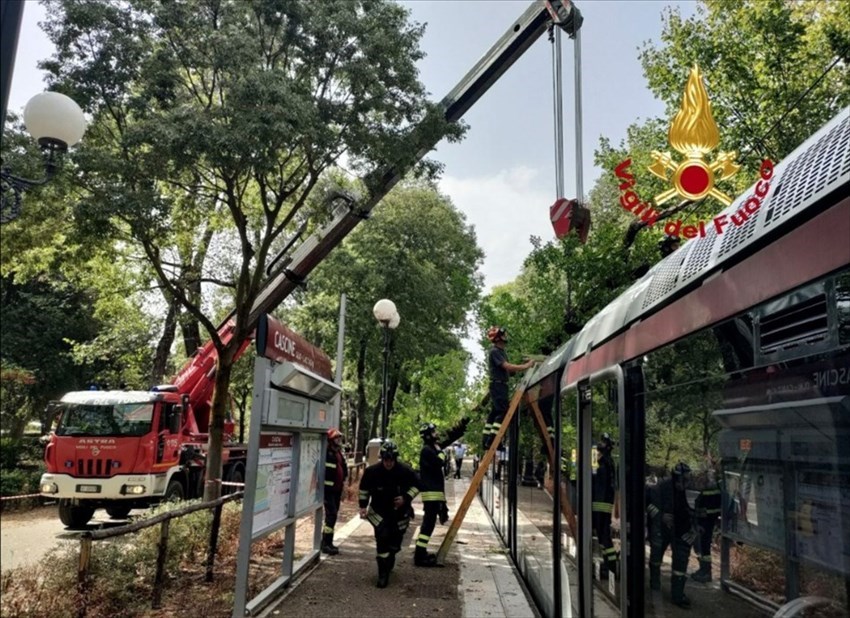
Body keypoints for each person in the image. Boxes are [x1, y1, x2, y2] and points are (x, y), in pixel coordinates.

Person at [358, 440, 420, 588]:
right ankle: (382, 575)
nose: (388, 463)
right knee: (382, 538)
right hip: (379, 511)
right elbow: (364, 490)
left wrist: (405, 498)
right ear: (382, 458)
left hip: (400, 513)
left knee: (395, 543)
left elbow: (418, 485)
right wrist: (362, 507)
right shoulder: (372, 472)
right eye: (386, 459)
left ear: (395, 458)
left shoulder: (405, 471)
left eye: (391, 460)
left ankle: (391, 556)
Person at [647, 462, 696, 608]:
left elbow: (698, 511)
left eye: (687, 479)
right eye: (683, 479)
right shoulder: (661, 487)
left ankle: (677, 595)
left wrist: (695, 529)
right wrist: (660, 516)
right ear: (675, 478)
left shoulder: (691, 490)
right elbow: (647, 504)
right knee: (656, 556)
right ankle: (655, 583)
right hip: (662, 529)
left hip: (682, 530)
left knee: (681, 563)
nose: (685, 483)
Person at [483, 326, 534, 451]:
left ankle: (486, 440)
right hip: (498, 385)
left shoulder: (502, 352)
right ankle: (492, 440)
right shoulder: (495, 351)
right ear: (498, 338)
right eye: (503, 335)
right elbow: (507, 366)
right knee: (502, 411)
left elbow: (510, 371)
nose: (506, 337)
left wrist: (519, 367)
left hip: (501, 385)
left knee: (494, 413)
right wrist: (526, 366)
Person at [414, 422, 451, 567]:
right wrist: (441, 451)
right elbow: (440, 462)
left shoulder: (428, 450)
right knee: (428, 525)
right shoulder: (428, 450)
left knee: (429, 525)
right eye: (434, 432)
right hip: (432, 494)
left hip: (435, 493)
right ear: (428, 435)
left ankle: (421, 552)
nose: (437, 434)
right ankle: (419, 555)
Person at [691, 458, 721, 583]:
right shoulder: (713, 489)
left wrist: (699, 518)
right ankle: (703, 570)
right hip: (706, 522)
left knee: (704, 548)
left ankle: (706, 572)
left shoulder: (711, 491)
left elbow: (706, 509)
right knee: (702, 547)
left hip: (705, 523)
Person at [592, 434, 618, 578]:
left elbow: (592, 476)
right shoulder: (606, 462)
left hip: (599, 504)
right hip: (601, 504)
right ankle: (608, 565)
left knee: (603, 536)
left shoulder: (605, 463)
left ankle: (610, 567)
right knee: (602, 536)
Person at [322, 428, 348, 555]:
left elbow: (343, 468)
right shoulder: (326, 453)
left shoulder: (338, 453)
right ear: (331, 440)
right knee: (331, 515)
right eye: (336, 438)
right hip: (328, 491)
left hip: (336, 491)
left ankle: (329, 542)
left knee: (334, 515)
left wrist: (343, 487)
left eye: (339, 438)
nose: (339, 440)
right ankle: (325, 543)